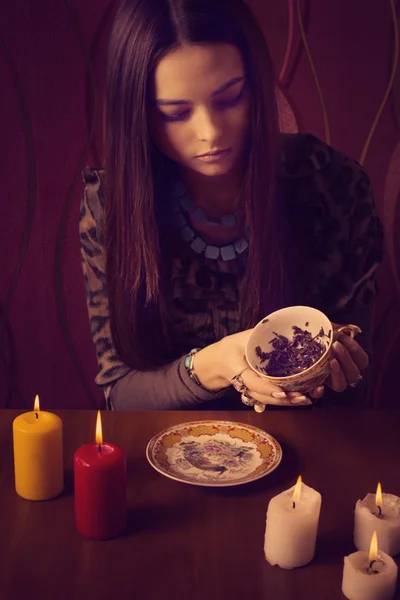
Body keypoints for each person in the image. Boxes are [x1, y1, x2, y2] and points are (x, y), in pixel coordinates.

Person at [80, 0, 383, 411]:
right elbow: (121, 393)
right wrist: (213, 365)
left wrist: (334, 369)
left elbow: (354, 369)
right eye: (176, 113)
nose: (210, 132)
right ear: (139, 117)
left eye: (229, 99)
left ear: (256, 86)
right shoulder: (112, 206)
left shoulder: (333, 187)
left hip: (305, 449)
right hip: (167, 454)